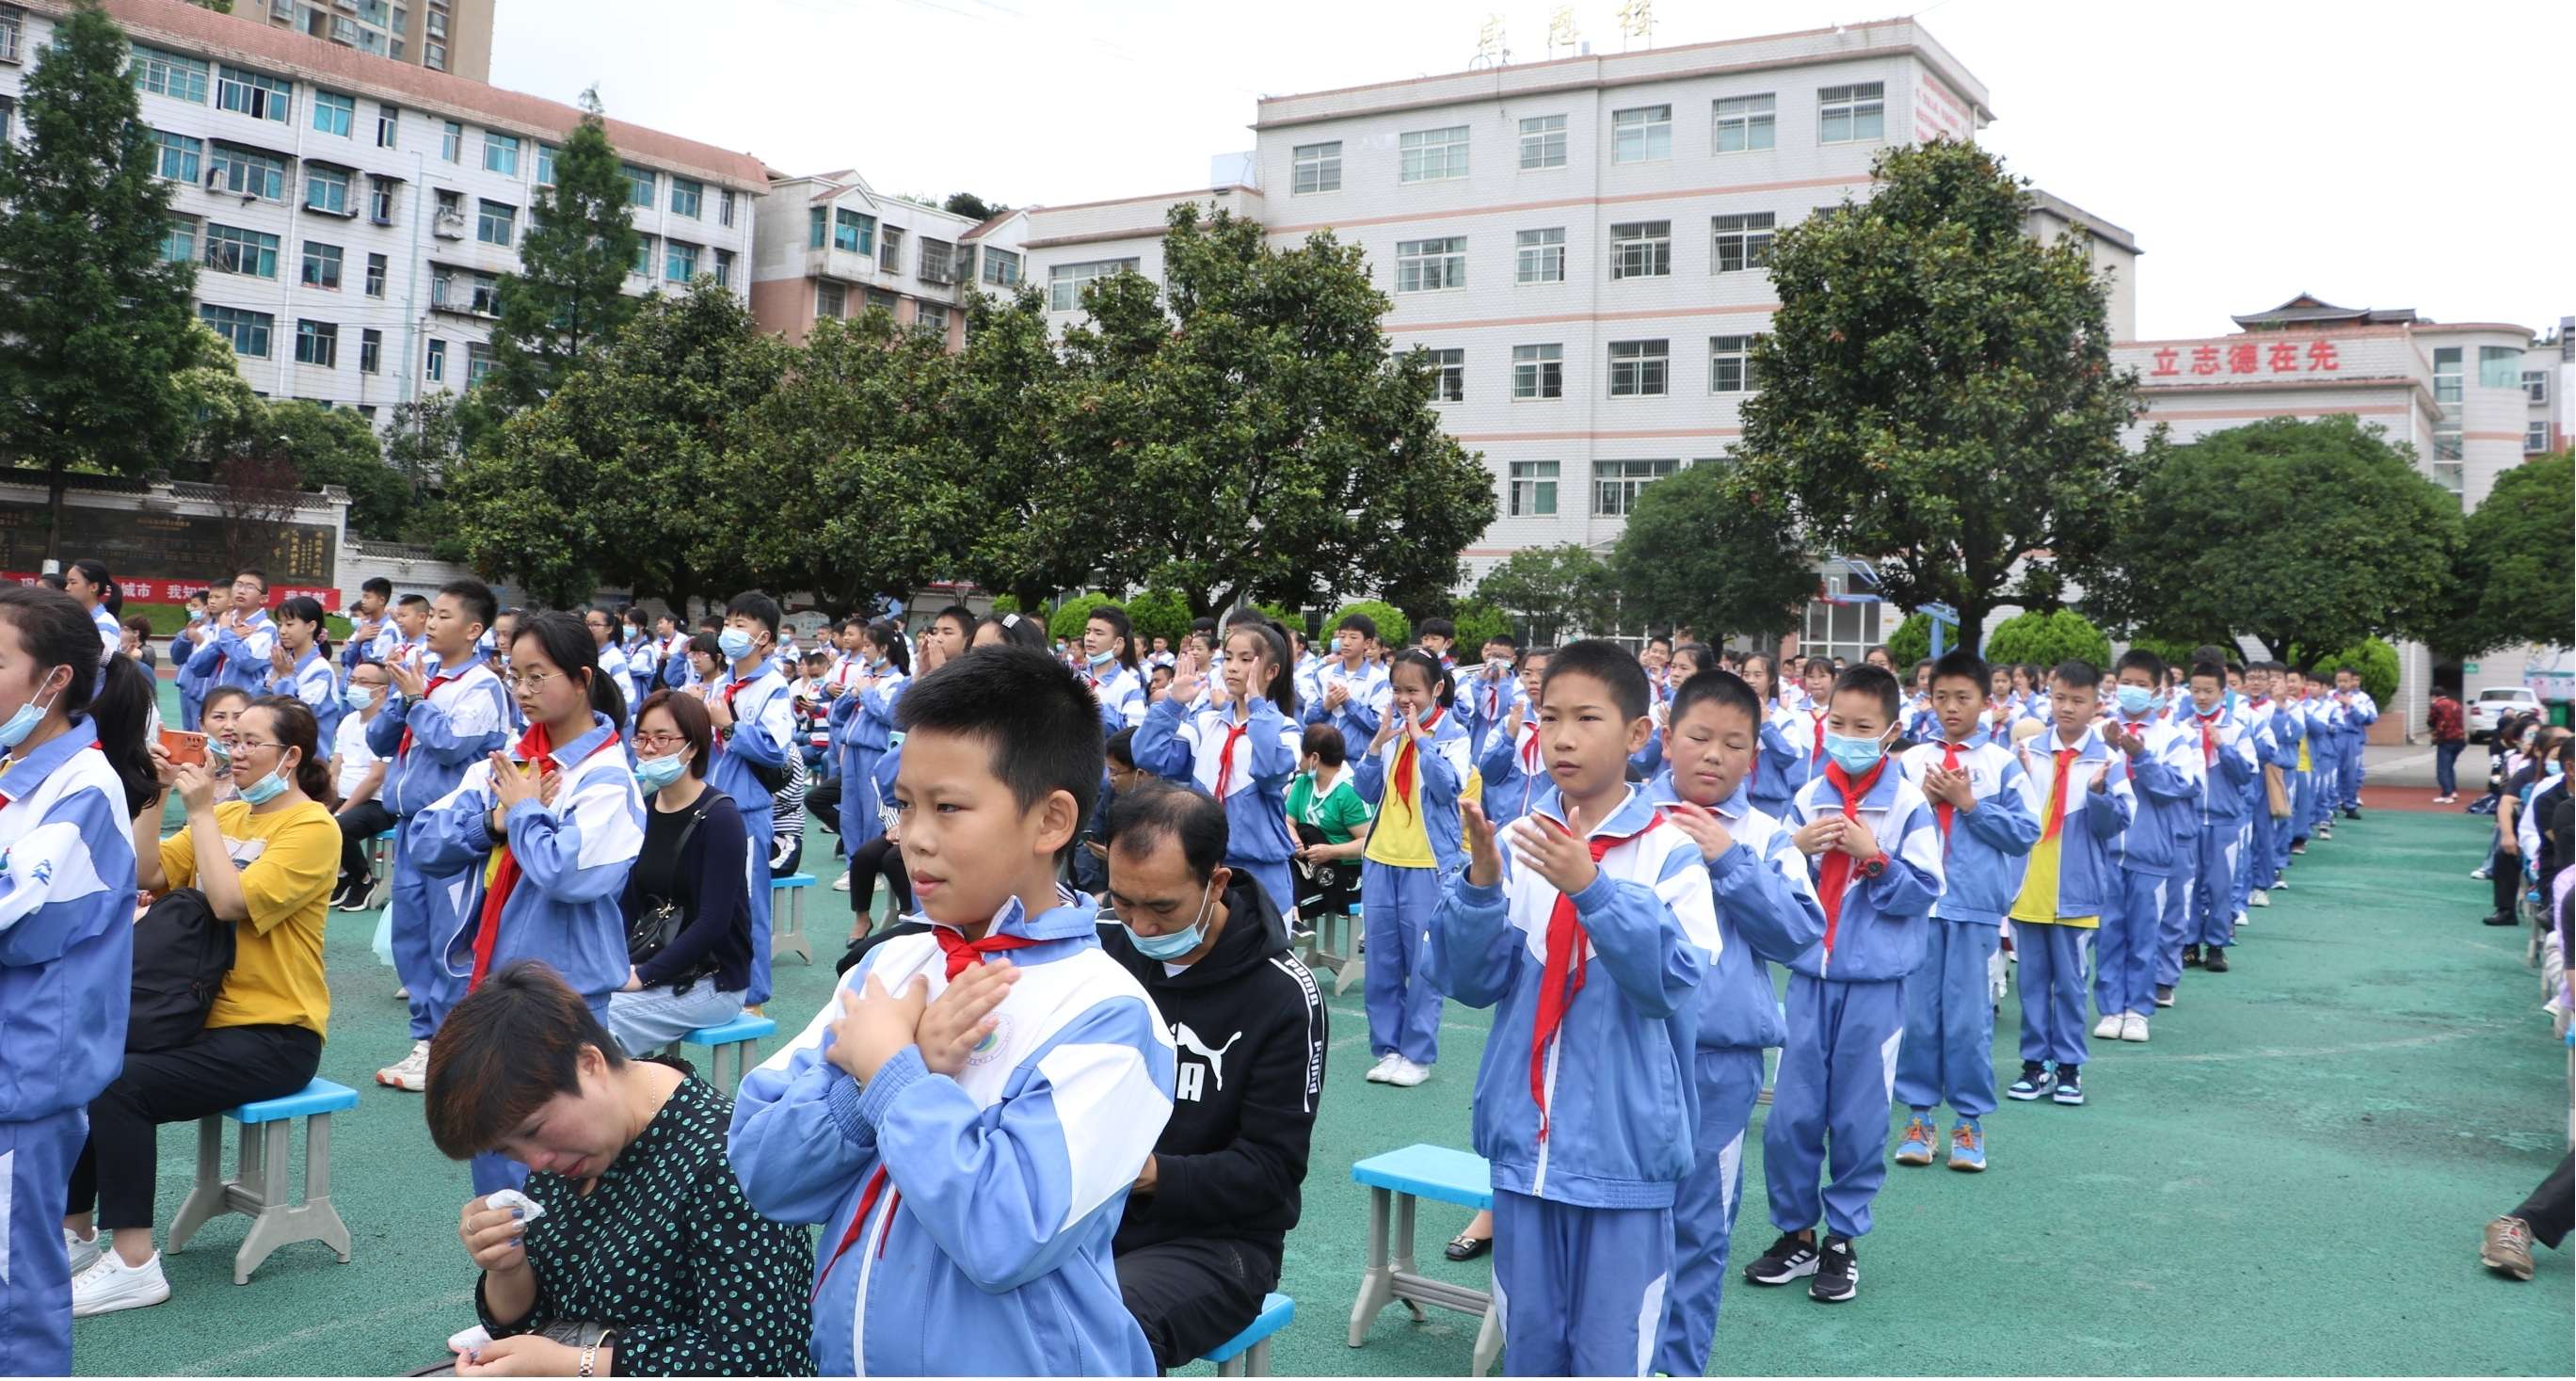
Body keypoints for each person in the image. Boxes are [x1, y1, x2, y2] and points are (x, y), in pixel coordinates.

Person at [729, 646, 1176, 1376]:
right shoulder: (891, 964)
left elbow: (1004, 1234)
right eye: (904, 803)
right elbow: (763, 1170)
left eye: (948, 807)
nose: (912, 835)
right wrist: (858, 1091)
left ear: (1051, 819)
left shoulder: (1107, 1012)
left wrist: (892, 1072)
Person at [1424, 640, 1716, 1373]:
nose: (1561, 736)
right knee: (1531, 1348)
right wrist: (1482, 887)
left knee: (1611, 1354)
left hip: (1623, 1158)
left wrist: (1594, 889)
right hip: (1528, 1157)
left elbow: (1672, 982)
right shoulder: (1520, 842)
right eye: (1549, 716)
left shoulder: (1668, 850)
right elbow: (1468, 980)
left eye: (1587, 717)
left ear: (1638, 735)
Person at [73, 697, 337, 1317]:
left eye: (251, 742)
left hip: (275, 1033)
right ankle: (74, 1232)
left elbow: (228, 901)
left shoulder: (312, 828)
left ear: (290, 756)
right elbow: (145, 870)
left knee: (122, 1084)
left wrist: (202, 812)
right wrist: (156, 796)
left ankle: (135, 1262)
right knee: (91, 1061)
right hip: (200, 1021)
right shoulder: (228, 814)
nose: (234, 752)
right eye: (230, 738)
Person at [426, 962, 815, 1377]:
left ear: (589, 1064)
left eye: (535, 1131)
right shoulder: (576, 1145)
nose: (536, 1162)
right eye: (508, 1150)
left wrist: (574, 1365)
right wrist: (506, 1265)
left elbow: (750, 1359)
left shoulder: (726, 1160)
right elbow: (522, 1325)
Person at [409, 611, 643, 1195]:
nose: (524, 691)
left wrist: (523, 812)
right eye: (516, 676)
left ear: (582, 678)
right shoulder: (510, 764)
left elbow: (566, 874)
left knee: (568, 1160)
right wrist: (493, 821)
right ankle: (510, 1283)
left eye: (538, 676)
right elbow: (424, 842)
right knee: (501, 1161)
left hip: (568, 996)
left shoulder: (609, 779)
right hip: (495, 986)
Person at [1098, 783, 1327, 1373]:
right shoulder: (1103, 949)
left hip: (1219, 1246)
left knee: (1100, 1325)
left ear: (1217, 883)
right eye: (1123, 901)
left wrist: (1148, 1175)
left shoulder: (1284, 996)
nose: (1142, 927)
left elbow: (1271, 1174)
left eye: (1163, 908)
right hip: (1089, 1214)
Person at [1745, 664, 1943, 1304]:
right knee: (1792, 1116)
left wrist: (1872, 855)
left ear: (1889, 732)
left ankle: (1841, 1239)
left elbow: (1924, 894)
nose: (1847, 736)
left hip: (1874, 986)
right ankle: (1795, 1234)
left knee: (1857, 1118)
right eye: (1837, 723)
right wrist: (1794, 846)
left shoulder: (1908, 805)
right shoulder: (1806, 797)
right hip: (1809, 978)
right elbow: (1772, 883)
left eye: (1863, 727)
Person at [1649, 669, 1824, 1373]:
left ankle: (1673, 1366)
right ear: (1664, 740)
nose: (1712, 755)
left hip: (1719, 1066)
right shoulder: (1628, 816)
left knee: (1698, 1231)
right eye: (1698, 737)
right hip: (1631, 1048)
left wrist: (1729, 862)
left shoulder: (1765, 835)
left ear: (1754, 754)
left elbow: (1798, 933)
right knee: (1620, 1221)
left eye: (1732, 743)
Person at [0, 587, 141, 1374]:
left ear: (52, 681)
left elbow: (20, 919)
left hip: (22, 1073)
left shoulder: (82, 786)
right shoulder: (18, 765)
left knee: (14, 1291)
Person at [1891, 650, 2038, 1173]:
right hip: (1921, 906)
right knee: (1919, 1017)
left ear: (1987, 702)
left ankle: (1970, 1123)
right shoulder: (1910, 761)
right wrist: (1927, 802)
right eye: (1941, 697)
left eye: (1963, 697)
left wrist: (1970, 803)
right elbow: (1891, 827)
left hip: (1975, 908)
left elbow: (2025, 832)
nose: (1951, 707)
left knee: (1968, 1021)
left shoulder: (1999, 764)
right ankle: (1919, 1117)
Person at [368, 579, 511, 1092]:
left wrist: (416, 700)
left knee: (449, 939)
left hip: (453, 832)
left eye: (445, 615)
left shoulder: (483, 686)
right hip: (409, 825)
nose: (431, 622)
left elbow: (453, 747)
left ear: (474, 630)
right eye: (432, 614)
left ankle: (452, 1045)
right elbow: (377, 739)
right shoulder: (424, 680)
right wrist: (402, 697)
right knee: (412, 933)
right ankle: (427, 1041)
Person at [2002, 661, 2135, 1106]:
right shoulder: (2028, 751)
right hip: (2028, 886)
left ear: (2096, 704)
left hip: (2077, 889)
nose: (2067, 708)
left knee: (2072, 983)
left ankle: (2070, 1068)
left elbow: (2118, 823)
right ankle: (2034, 1066)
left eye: (2078, 701)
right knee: (2032, 983)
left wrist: (2098, 794)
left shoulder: (2107, 760)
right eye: (2060, 698)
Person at [1352, 650, 1478, 1087]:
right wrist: (1375, 746)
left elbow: (1447, 791)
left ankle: (1417, 1055)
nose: (1404, 699)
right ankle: (1387, 1049)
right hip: (1381, 859)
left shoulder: (1453, 735)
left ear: (1436, 690)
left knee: (1424, 963)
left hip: (1427, 863)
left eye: (1413, 691)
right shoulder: (1389, 732)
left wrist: (1420, 739)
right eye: (1398, 690)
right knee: (1382, 963)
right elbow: (1365, 791)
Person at [606, 692, 752, 1058]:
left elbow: (713, 923)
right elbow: (629, 903)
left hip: (713, 981)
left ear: (692, 746)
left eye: (662, 738)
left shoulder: (721, 818)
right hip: (654, 963)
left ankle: (626, 1109)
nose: (649, 748)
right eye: (641, 738)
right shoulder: (644, 808)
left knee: (598, 1023)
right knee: (568, 1006)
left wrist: (643, 976)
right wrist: (614, 965)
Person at [1133, 625, 1304, 922]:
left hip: (1262, 876)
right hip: (1206, 869)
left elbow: (1269, 772)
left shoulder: (1285, 728)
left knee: (1262, 963)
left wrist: (1259, 708)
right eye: (1228, 658)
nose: (1233, 668)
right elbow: (1147, 755)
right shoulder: (1205, 723)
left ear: (1271, 671)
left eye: (1246, 659)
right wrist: (1173, 703)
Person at [2096, 650, 2203, 1037]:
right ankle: (2110, 1009)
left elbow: (2179, 786)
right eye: (2128, 683)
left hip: (2151, 852)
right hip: (2107, 850)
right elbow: (2091, 783)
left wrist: (2139, 756)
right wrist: (2109, 750)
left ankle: (2138, 1009)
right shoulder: (2100, 731)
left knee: (2145, 934)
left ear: (2158, 690)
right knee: (2109, 933)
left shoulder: (2175, 737)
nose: (2134, 691)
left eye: (2143, 685)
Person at [704, 592, 796, 1009]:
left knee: (749, 901)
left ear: (766, 640)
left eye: (742, 626)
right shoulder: (721, 685)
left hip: (747, 808)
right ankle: (712, 977)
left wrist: (728, 727)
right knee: (708, 895)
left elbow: (775, 749)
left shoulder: (774, 687)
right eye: (729, 622)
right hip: (711, 800)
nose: (731, 632)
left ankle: (753, 993)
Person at [2170, 660, 2264, 991]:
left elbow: (2246, 774)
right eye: (2196, 690)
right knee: (2188, 884)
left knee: (2221, 884)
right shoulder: (2180, 728)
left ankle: (2218, 946)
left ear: (2224, 693)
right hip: (2190, 818)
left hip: (2225, 820)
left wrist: (2222, 745)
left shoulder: (2237, 729)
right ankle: (2189, 943)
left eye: (2209, 691)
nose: (2202, 697)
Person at [829, 618, 910, 932]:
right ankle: (853, 866)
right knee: (849, 813)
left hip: (875, 754)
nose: (863, 650)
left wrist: (867, 694)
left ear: (884, 648)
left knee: (872, 814)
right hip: (850, 751)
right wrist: (852, 693)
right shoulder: (863, 676)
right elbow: (837, 714)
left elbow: (891, 717)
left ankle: (873, 871)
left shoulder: (900, 681)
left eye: (868, 645)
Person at [1288, 722, 1372, 921]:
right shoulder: (1303, 782)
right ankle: (1292, 918)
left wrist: (1331, 852)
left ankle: (1293, 918)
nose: (1299, 761)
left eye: (1302, 753)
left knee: (1283, 894)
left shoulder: (1350, 792)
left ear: (1314, 758)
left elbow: (1368, 843)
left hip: (1345, 874)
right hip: (1309, 867)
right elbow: (1287, 821)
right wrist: (1294, 840)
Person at [331, 659, 394, 910]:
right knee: (307, 819)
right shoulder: (348, 721)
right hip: (346, 798)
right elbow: (335, 767)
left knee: (337, 826)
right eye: (353, 681)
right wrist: (329, 799)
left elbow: (376, 778)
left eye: (363, 682)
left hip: (379, 803)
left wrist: (341, 810)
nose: (355, 686)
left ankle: (364, 879)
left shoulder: (387, 726)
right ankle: (344, 875)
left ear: (382, 690)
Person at [1475, 646, 1554, 828]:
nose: (1533, 680)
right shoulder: (1508, 722)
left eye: (1542, 673)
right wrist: (1509, 738)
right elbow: (1488, 773)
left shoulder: (1568, 726)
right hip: (1506, 827)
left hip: (1550, 829)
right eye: (1527, 674)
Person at [1305, 612, 1391, 762]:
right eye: (1342, 636)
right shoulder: (1324, 674)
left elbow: (1378, 725)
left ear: (1367, 643)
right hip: (1321, 759)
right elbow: (1308, 717)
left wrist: (1348, 703)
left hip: (1357, 761)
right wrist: (1326, 706)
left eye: (1353, 637)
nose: (1346, 642)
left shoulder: (1378, 679)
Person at [182, 569, 280, 698]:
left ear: (263, 598)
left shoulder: (265, 627)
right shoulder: (225, 622)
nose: (241, 591)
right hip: (216, 700)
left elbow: (246, 661)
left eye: (250, 587)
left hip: (246, 704)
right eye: (238, 585)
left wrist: (226, 634)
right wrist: (223, 639)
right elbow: (196, 665)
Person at [264, 594, 344, 749]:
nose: (282, 631)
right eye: (280, 624)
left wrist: (285, 677)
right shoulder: (283, 662)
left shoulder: (321, 670)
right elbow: (257, 701)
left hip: (309, 757)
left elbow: (299, 717)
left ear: (311, 626)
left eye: (289, 624)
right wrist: (275, 675)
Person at [1078, 602, 1150, 732]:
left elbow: (1133, 733)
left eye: (1098, 633)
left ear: (1118, 643)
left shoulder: (1129, 684)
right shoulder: (1074, 678)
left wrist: (1098, 708)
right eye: (1088, 632)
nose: (1089, 638)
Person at [62, 558, 122, 662]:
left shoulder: (105, 625)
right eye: (67, 582)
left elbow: (103, 670)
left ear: (93, 587)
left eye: (73, 582)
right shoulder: (70, 619)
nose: (67, 588)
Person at [344, 577, 395, 673]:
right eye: (363, 597)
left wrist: (364, 640)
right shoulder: (364, 625)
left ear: (381, 601)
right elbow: (348, 661)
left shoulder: (389, 628)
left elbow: (374, 663)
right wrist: (358, 640)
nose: (363, 601)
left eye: (367, 597)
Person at [2430, 686, 2467, 805]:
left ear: (2434, 695)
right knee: (2449, 767)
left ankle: (2447, 794)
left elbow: (2431, 721)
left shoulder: (2437, 705)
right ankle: (2453, 791)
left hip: (2445, 739)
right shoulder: (2456, 704)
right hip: (2459, 739)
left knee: (2442, 769)